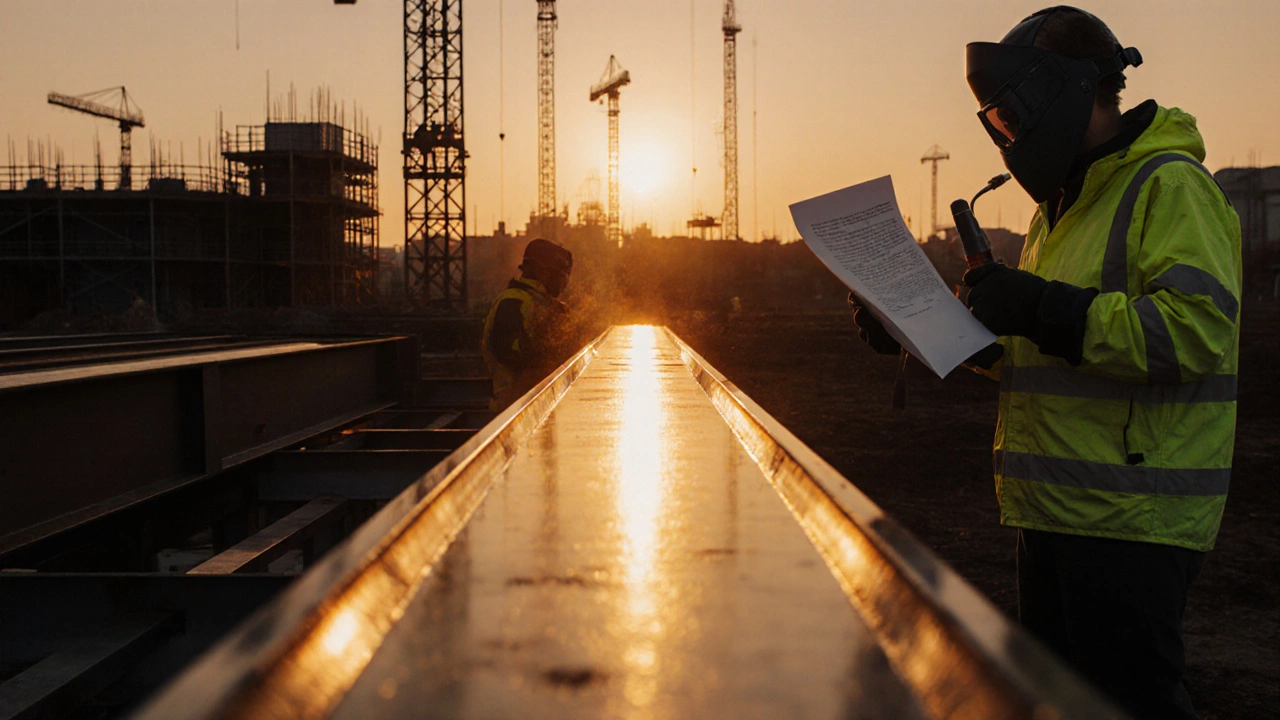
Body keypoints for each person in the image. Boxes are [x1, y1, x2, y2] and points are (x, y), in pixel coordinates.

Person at [855, 7, 1241, 719]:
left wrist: (1039, 305)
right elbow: (1038, 355)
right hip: (1054, 511)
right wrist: (920, 334)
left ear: (1057, 95)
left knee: (1129, 702)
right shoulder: (1059, 209)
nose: (1009, 138)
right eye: (996, 125)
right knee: (1054, 705)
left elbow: (1192, 335)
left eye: (1009, 119)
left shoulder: (1171, 186)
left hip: (1132, 519)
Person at [481, 238, 573, 410]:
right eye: (560, 275)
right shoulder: (513, 301)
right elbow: (507, 352)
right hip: (514, 404)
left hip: (540, 400)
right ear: (543, 272)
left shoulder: (545, 304)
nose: (563, 282)